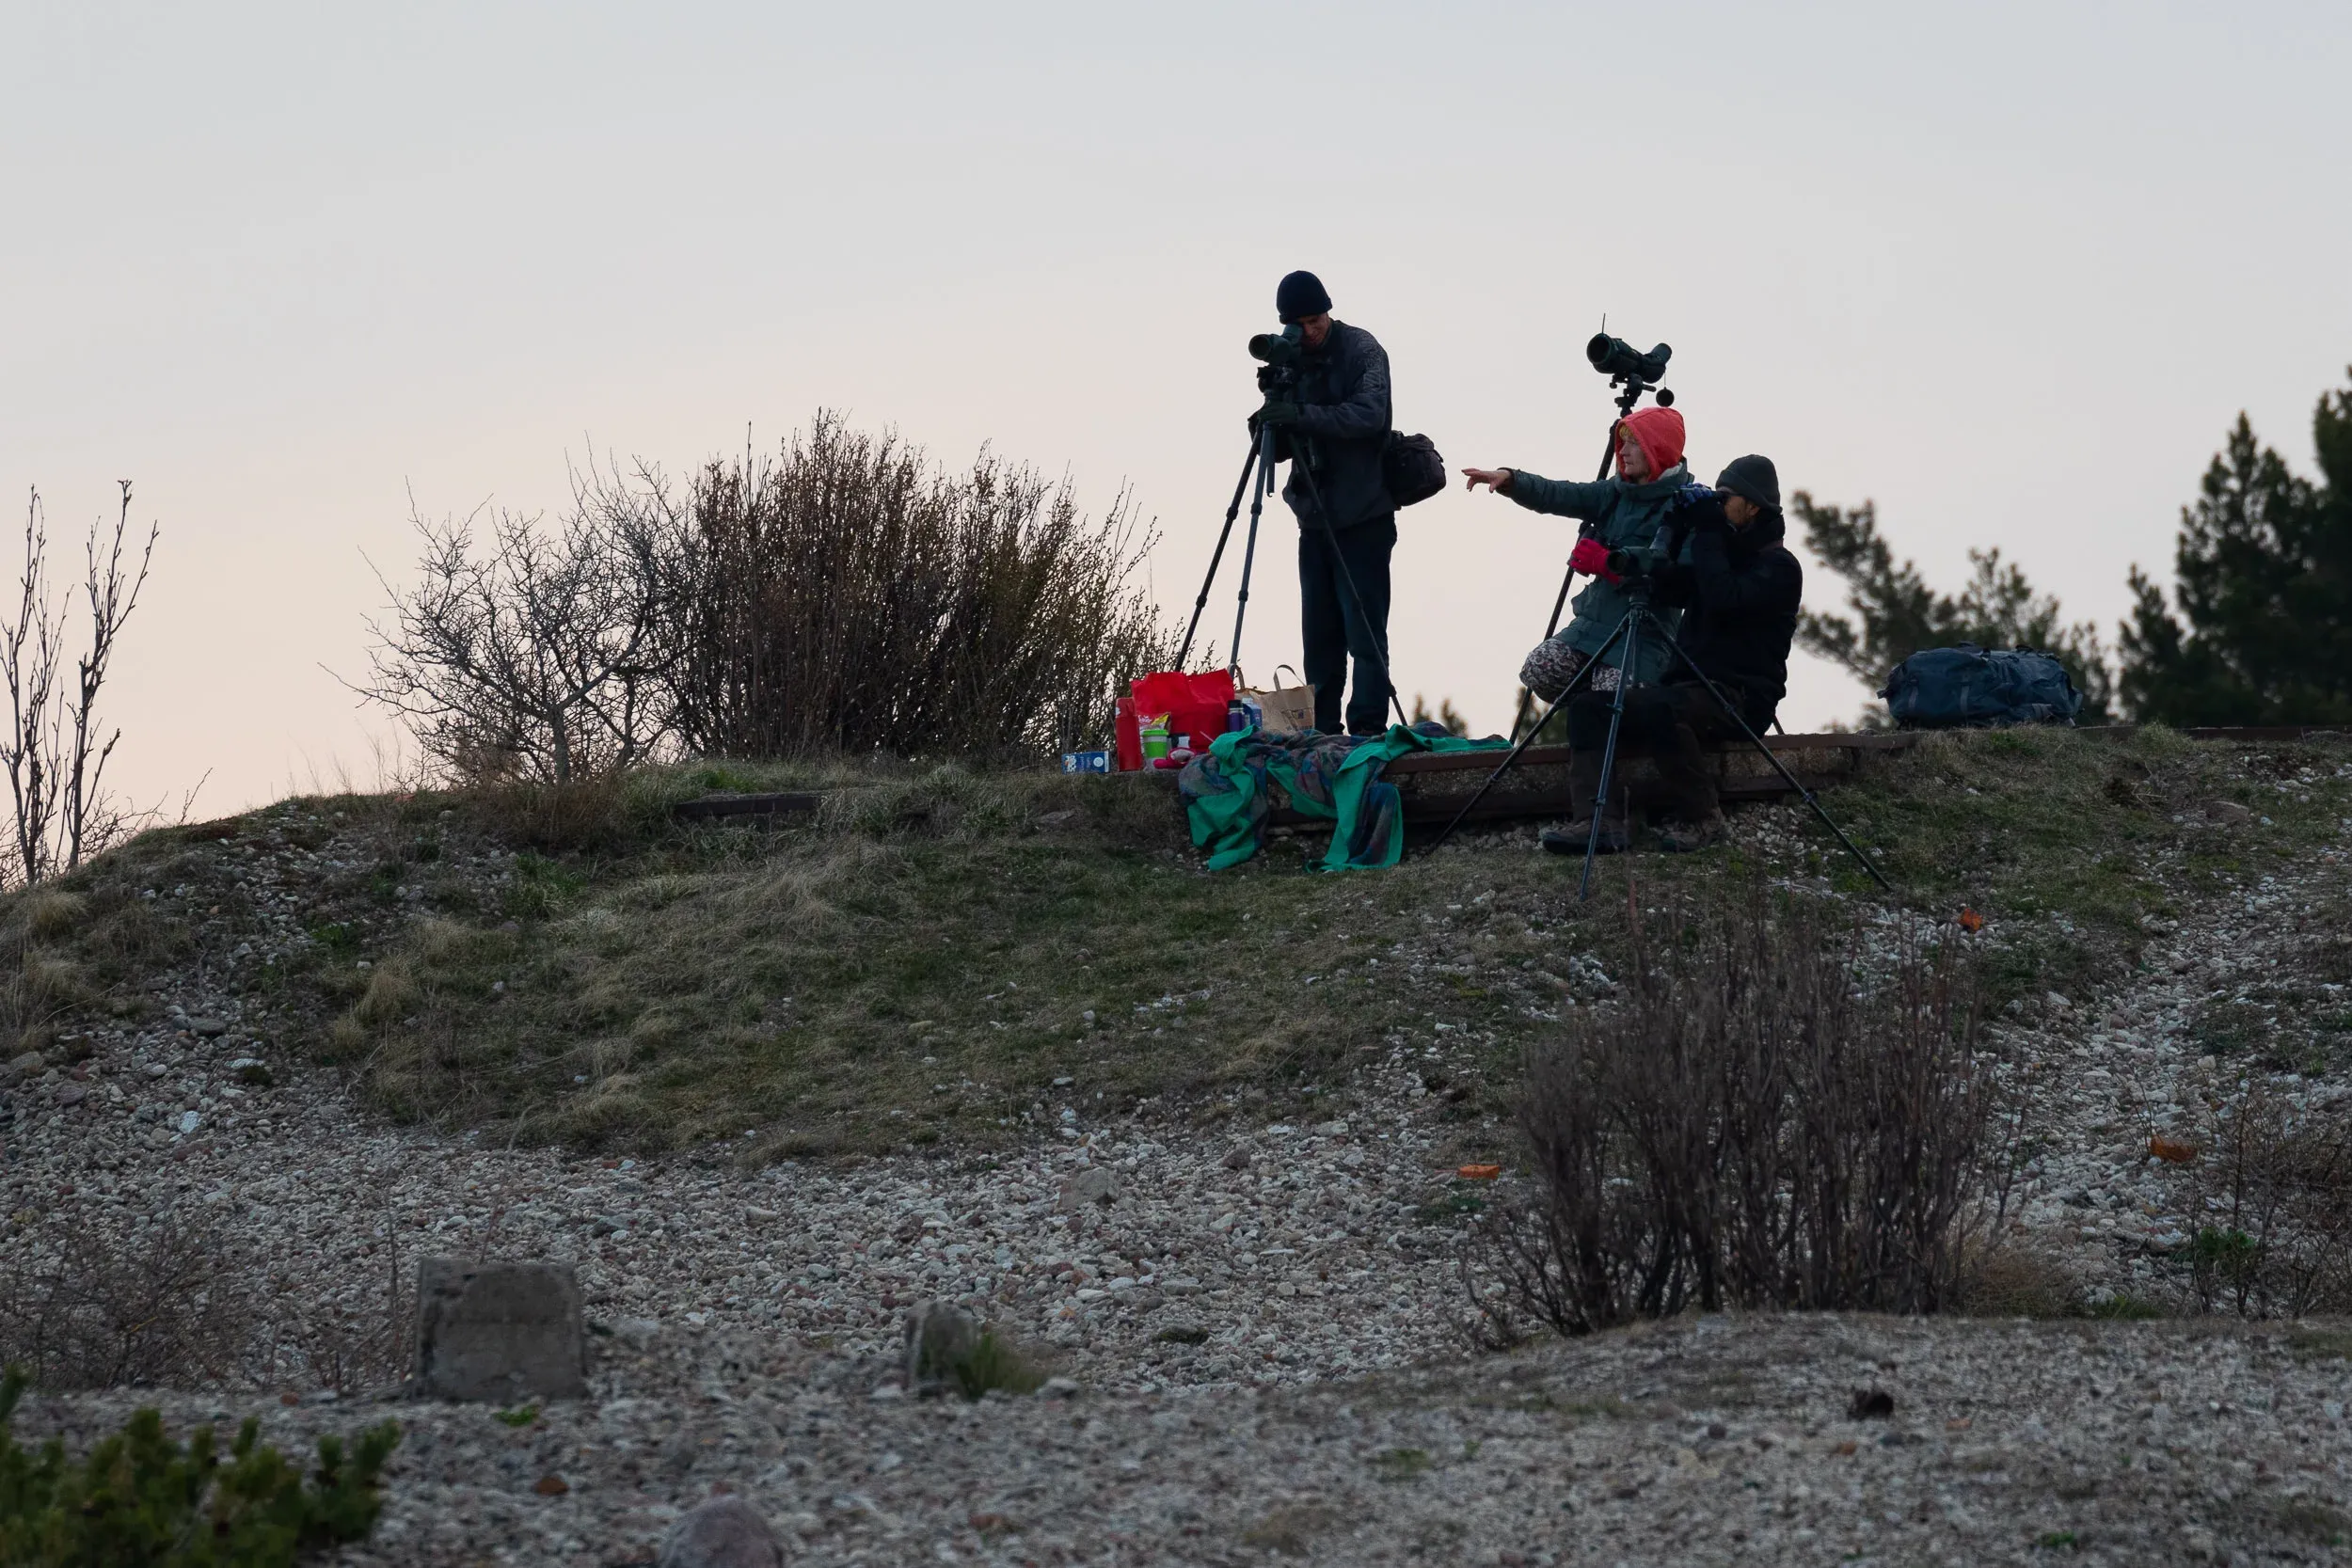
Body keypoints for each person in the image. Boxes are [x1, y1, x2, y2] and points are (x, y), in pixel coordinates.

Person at [1551, 454, 1803, 854]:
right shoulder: (1721, 553)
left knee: (1661, 709)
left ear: (1753, 506)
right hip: (1690, 689)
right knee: (1589, 708)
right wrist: (1640, 553)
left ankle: (1705, 820)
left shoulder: (1780, 566)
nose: (1717, 507)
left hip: (1741, 696)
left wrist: (1705, 532)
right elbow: (1673, 589)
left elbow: (1724, 599)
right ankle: (1599, 822)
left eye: (1725, 499)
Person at [1461, 404, 1694, 700]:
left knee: (1614, 696)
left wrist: (1609, 564)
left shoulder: (1686, 505)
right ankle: (1594, 707)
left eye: (1634, 443)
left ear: (1657, 448)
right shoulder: (1615, 491)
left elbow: (1677, 580)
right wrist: (1511, 480)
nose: (1622, 452)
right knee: (1541, 669)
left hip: (1644, 636)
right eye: (1622, 442)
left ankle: (1622, 711)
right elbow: (1561, 494)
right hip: (1592, 625)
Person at [1254, 270, 1394, 736]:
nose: (1309, 331)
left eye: (1316, 320)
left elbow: (1370, 416)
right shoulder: (1290, 359)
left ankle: (1368, 730)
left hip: (1364, 514)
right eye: (1300, 324)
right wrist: (1269, 418)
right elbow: (1273, 448)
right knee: (1319, 640)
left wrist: (1301, 414)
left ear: (1328, 313)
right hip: (1313, 519)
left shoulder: (1362, 349)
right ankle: (1323, 732)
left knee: (1365, 635)